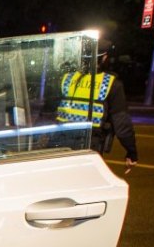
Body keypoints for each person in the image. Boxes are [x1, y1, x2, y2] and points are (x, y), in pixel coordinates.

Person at [56, 40, 138, 170]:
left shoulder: (67, 78)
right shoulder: (110, 83)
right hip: (90, 145)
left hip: (59, 142)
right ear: (104, 58)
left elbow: (47, 112)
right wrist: (131, 152)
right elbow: (122, 123)